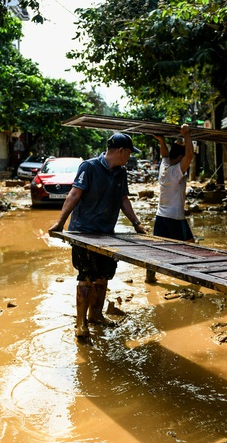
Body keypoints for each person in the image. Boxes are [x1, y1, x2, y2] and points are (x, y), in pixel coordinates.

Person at [49, 133, 147, 342]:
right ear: (121, 151)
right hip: (83, 232)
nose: (129, 157)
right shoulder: (89, 167)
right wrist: (60, 223)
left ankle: (95, 314)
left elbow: (123, 199)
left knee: (103, 276)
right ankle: (80, 323)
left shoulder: (121, 172)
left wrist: (137, 224)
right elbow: (74, 194)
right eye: (129, 152)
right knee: (85, 277)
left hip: (107, 234)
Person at [145, 125, 195, 283]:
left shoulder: (164, 167)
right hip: (175, 218)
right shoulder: (175, 172)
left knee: (157, 249)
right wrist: (186, 135)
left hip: (161, 216)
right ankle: (191, 278)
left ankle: (150, 278)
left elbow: (165, 154)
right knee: (190, 247)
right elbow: (190, 155)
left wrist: (161, 141)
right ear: (180, 157)